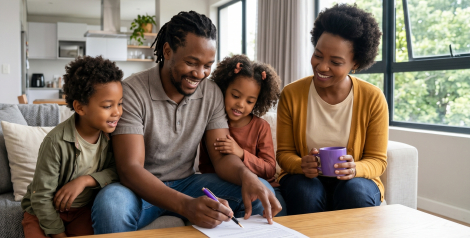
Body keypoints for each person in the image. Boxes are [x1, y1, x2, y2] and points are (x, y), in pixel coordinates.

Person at [91, 11, 281, 234]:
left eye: (207, 65)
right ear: (168, 51)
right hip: (140, 191)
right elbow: (130, 168)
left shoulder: (211, 93)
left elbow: (221, 159)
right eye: (192, 63)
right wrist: (185, 205)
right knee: (110, 205)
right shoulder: (133, 91)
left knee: (261, 189)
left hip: (189, 183)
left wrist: (246, 175)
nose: (200, 74)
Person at [276, 3, 387, 215]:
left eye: (335, 62)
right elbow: (284, 154)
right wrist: (301, 164)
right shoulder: (292, 94)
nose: (322, 66)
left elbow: (378, 160)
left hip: (354, 181)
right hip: (305, 179)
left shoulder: (373, 98)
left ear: (355, 63)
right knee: (306, 191)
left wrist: (356, 169)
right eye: (318, 55)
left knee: (355, 191)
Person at [21, 56, 123, 237]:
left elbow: (118, 170)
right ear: (80, 108)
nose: (117, 112)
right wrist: (59, 234)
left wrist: (85, 180)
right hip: (43, 211)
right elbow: (41, 197)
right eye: (108, 106)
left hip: (81, 212)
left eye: (120, 103)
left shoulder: (112, 136)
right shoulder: (55, 142)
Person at [197, 55, 286, 216]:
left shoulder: (261, 127)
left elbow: (269, 169)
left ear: (258, 102)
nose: (241, 104)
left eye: (250, 101)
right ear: (224, 89)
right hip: (224, 185)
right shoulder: (212, 124)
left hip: (265, 185)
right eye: (236, 96)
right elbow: (206, 168)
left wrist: (241, 153)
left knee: (278, 211)